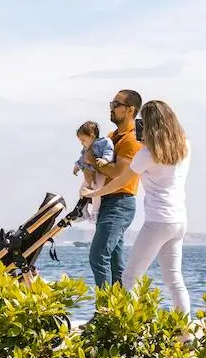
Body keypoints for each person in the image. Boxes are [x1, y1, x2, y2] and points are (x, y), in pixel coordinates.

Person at [81, 100, 191, 316]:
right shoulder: (186, 146)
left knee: (130, 276)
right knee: (175, 280)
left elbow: (121, 180)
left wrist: (93, 193)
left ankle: (127, 327)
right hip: (179, 221)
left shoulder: (148, 154)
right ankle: (184, 333)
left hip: (157, 222)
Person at [84, 90, 143, 290]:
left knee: (98, 255)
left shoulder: (131, 140)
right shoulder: (112, 136)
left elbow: (119, 172)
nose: (111, 107)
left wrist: (94, 162)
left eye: (116, 104)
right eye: (112, 103)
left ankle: (104, 312)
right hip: (108, 200)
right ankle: (120, 312)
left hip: (120, 202)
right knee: (115, 261)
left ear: (130, 110)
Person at [72, 121, 114, 221]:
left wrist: (105, 160)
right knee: (82, 190)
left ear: (91, 136)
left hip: (100, 173)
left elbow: (109, 151)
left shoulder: (104, 142)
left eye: (83, 140)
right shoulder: (86, 148)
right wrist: (77, 165)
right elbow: (83, 158)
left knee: (96, 190)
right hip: (90, 172)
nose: (82, 143)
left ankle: (95, 213)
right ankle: (83, 212)